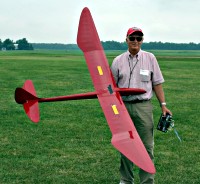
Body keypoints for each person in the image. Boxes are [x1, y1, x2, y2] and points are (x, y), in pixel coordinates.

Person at [110, 27, 172, 184]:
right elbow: (111, 87)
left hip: (143, 106)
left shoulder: (150, 58)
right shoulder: (117, 61)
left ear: (142, 40)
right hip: (123, 107)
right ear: (126, 40)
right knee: (125, 146)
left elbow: (157, 83)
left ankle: (147, 181)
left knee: (146, 146)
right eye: (132, 38)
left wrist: (163, 105)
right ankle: (125, 180)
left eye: (139, 38)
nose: (135, 41)